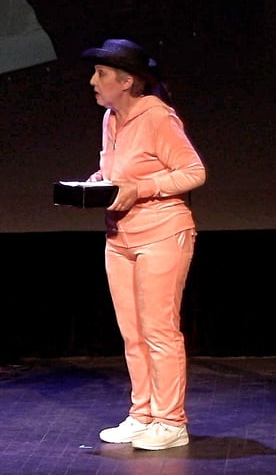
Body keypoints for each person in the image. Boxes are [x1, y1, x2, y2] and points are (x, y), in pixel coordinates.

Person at [80, 39, 206, 450]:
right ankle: (143, 414)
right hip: (119, 237)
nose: (93, 81)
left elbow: (193, 172)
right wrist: (100, 182)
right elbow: (118, 170)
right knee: (132, 333)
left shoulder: (157, 117)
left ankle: (171, 422)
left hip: (163, 233)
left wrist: (142, 188)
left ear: (127, 81)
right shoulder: (111, 118)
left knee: (159, 331)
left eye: (101, 74)